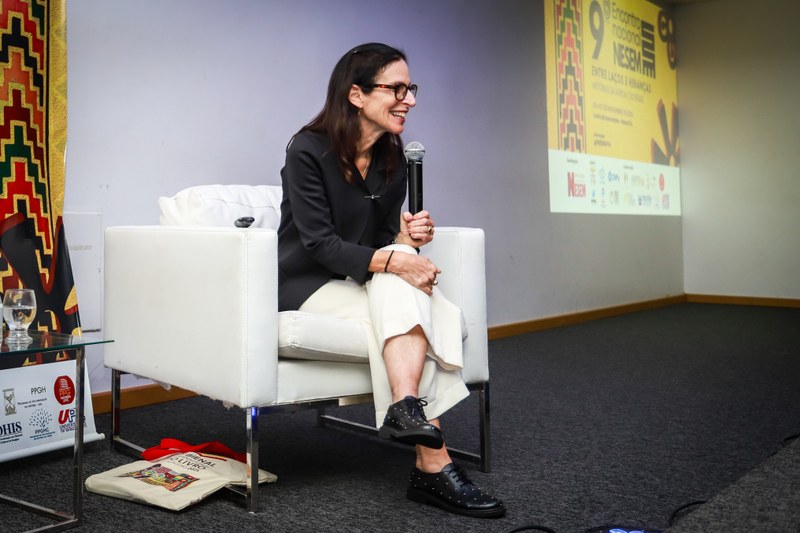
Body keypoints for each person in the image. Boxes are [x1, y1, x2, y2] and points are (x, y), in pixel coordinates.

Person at [277, 42, 505, 518]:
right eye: (397, 88)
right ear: (356, 94)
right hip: (305, 285)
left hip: (359, 283)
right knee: (432, 309)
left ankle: (408, 411)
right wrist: (398, 260)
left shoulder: (394, 159)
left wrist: (402, 238)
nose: (411, 99)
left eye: (411, 88)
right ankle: (432, 463)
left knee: (406, 282)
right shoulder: (307, 150)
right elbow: (319, 244)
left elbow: (379, 239)